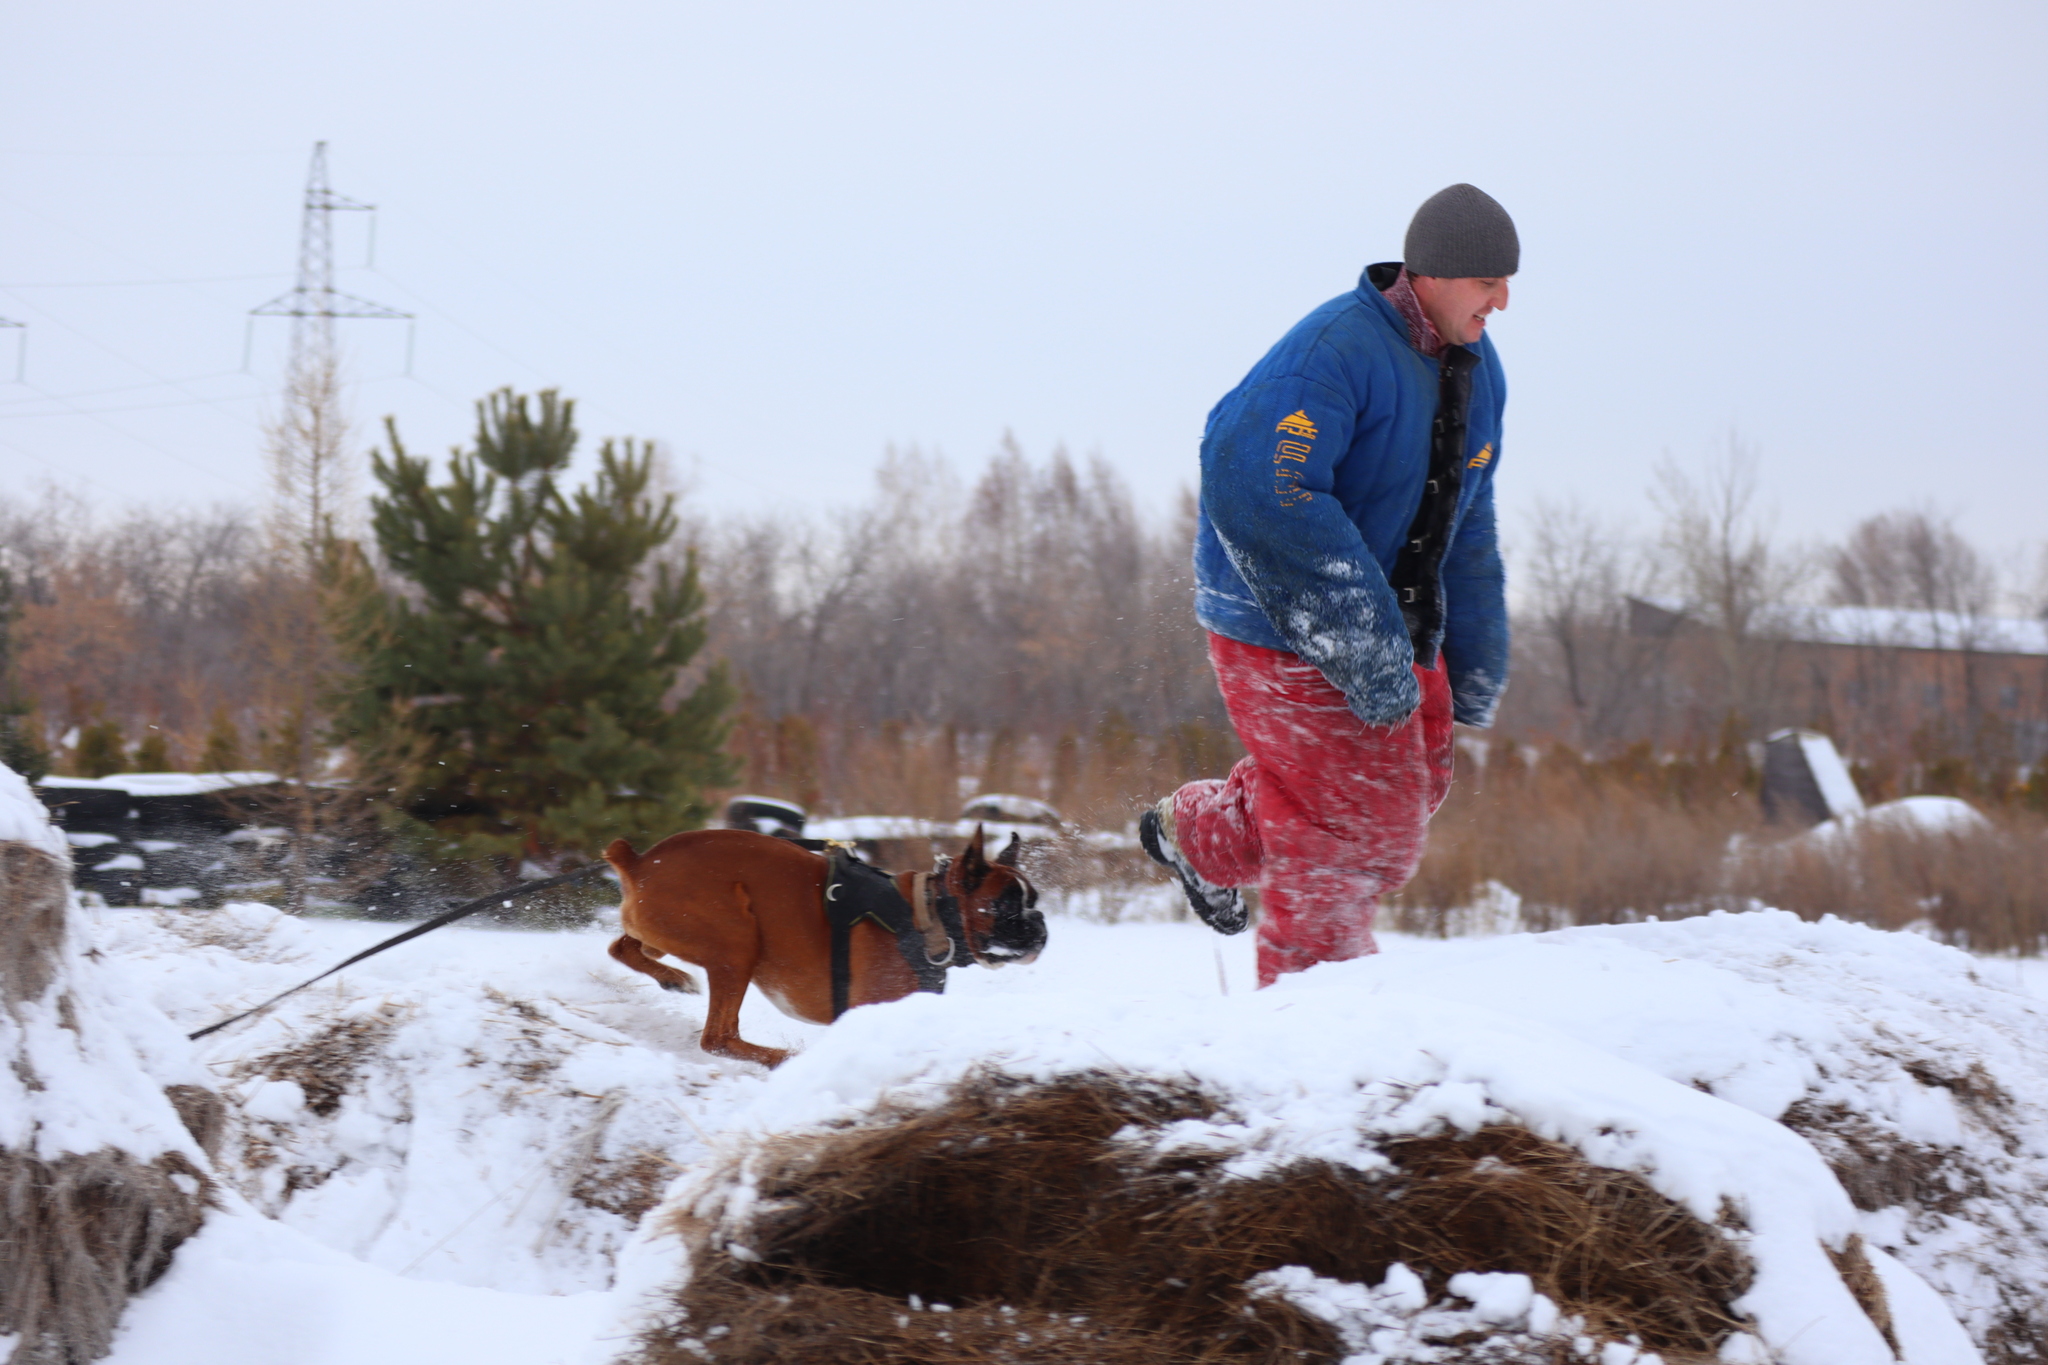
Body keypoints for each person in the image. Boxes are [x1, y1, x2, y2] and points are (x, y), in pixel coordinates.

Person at [1139, 183, 1516, 987]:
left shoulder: (1480, 376)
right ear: (1440, 274)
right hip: (1280, 616)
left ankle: (1196, 832)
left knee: (1407, 791)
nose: (1505, 301)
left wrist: (1477, 649)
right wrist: (1357, 638)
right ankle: (1314, 1026)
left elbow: (1468, 520)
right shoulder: (1333, 354)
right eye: (1491, 281)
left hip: (1396, 621)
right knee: (1354, 825)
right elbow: (1256, 484)